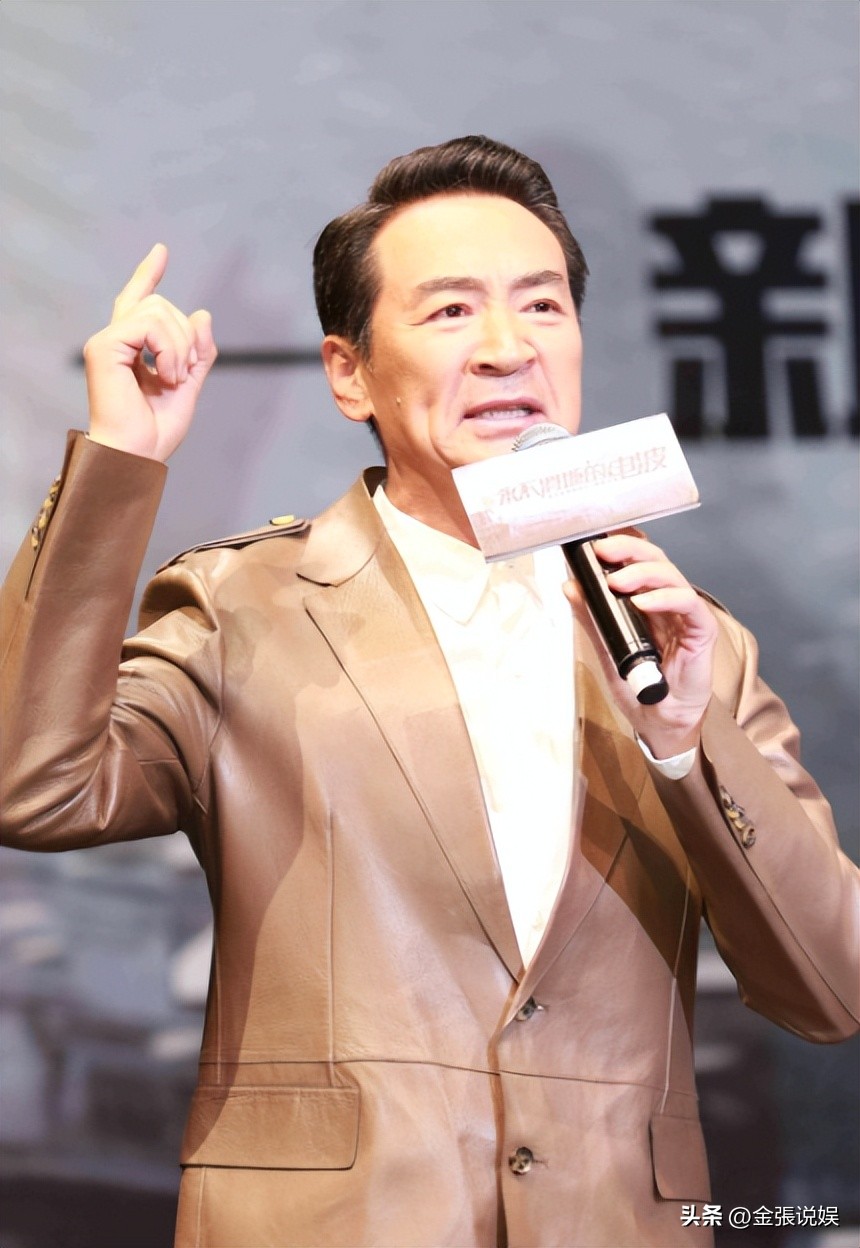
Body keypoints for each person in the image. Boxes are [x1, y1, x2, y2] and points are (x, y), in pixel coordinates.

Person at [1, 136, 857, 1248]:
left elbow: (829, 990)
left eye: (541, 306)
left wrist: (687, 744)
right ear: (347, 371)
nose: (507, 348)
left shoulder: (688, 642)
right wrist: (119, 461)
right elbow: (34, 786)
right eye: (452, 311)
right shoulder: (245, 608)